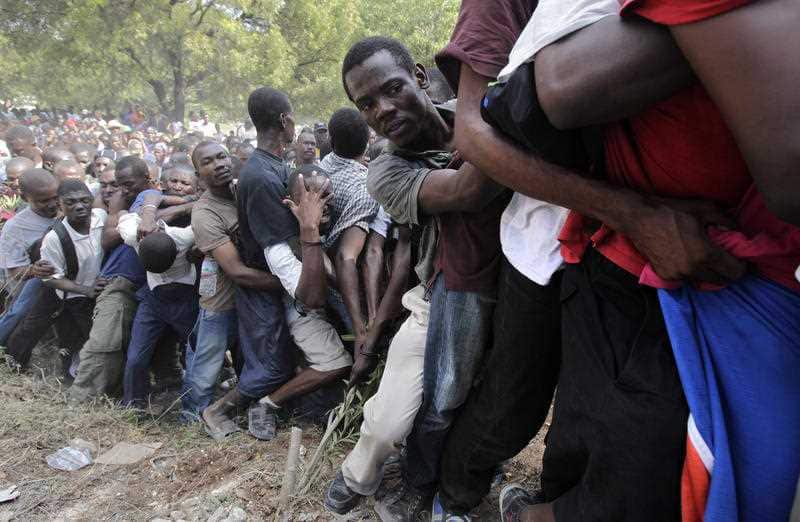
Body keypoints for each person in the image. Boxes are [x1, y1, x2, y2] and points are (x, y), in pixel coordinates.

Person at [325, 37, 507, 520]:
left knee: (477, 401)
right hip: (437, 297)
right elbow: (467, 192)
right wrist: (508, 121)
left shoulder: (465, 115)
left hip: (510, 287)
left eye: (392, 89)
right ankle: (357, 475)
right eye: (366, 104)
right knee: (389, 422)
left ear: (421, 77)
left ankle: (441, 479)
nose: (382, 110)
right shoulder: (385, 171)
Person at [202, 88, 351, 442]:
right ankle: (220, 410)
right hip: (276, 283)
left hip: (287, 280)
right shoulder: (261, 175)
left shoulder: (272, 167)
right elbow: (280, 247)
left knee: (285, 358)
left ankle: (278, 407)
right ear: (285, 121)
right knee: (270, 366)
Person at [181, 140, 282, 422]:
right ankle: (191, 419)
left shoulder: (243, 189)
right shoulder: (205, 213)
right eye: (208, 162)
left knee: (248, 359)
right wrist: (289, 282)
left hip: (252, 297)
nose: (219, 165)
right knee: (207, 366)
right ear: (199, 174)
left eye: (221, 157)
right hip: (223, 301)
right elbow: (236, 271)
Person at [67, 156, 158, 402]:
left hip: (140, 284)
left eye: (128, 183)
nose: (122, 189)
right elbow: (107, 240)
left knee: (124, 346)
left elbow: (111, 237)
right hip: (118, 282)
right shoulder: (121, 203)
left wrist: (122, 212)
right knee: (104, 343)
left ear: (148, 179)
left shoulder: (151, 199)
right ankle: (81, 399)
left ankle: (106, 395)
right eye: (119, 184)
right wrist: (117, 211)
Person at [6, 180, 106, 375]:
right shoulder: (54, 238)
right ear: (60, 205)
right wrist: (85, 289)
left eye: (84, 200)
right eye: (70, 202)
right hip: (69, 293)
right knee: (37, 329)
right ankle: (13, 364)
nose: (79, 206)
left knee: (89, 339)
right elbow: (50, 279)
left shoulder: (101, 219)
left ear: (92, 200)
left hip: (92, 294)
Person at [117, 207, 197, 409]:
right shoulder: (132, 235)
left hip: (185, 299)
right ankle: (133, 404)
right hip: (153, 299)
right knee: (136, 356)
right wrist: (148, 215)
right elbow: (123, 215)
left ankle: (195, 402)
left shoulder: (184, 237)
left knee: (197, 351)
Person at [318, 108, 379, 348]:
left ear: (330, 141)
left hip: (319, 275)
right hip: (346, 287)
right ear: (367, 144)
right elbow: (346, 256)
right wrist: (359, 325)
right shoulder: (365, 189)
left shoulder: (322, 166)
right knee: (360, 347)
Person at [0, 169, 58, 354]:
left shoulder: (69, 205)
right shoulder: (15, 227)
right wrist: (34, 270)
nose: (52, 204)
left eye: (55, 197)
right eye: (43, 200)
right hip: (36, 281)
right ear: (26, 197)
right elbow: (14, 272)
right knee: (19, 312)